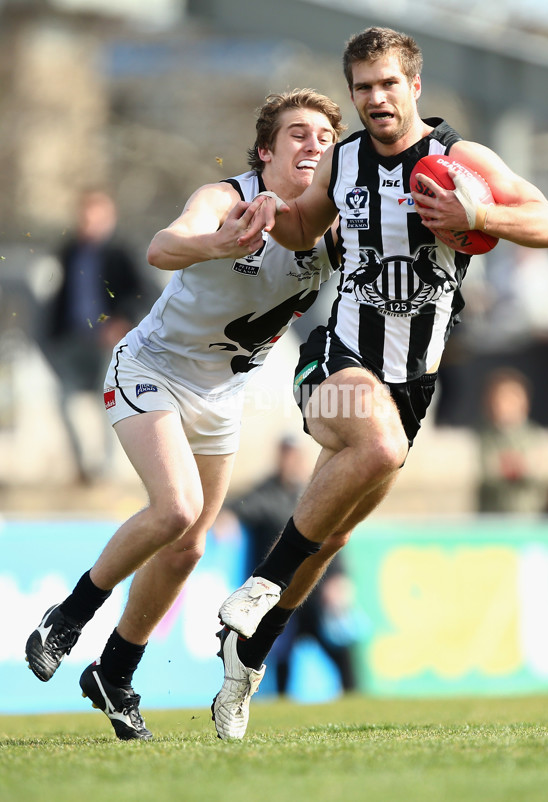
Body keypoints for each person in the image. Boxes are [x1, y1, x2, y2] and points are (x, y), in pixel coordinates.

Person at [214, 25, 548, 738]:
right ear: (354, 93)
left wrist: (480, 215)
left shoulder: (457, 160)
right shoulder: (342, 162)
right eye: (363, 87)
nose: (376, 99)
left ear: (414, 85)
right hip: (337, 360)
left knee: (333, 536)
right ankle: (255, 588)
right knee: (375, 447)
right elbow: (304, 226)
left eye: (387, 84)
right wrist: (271, 216)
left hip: (413, 384)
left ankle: (247, 657)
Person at [24, 89, 347, 741]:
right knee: (174, 509)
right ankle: (69, 615)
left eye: (324, 138)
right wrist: (214, 242)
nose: (314, 145)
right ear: (266, 150)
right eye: (298, 135)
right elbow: (163, 246)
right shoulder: (229, 198)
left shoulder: (336, 221)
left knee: (190, 546)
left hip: (220, 397)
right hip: (151, 370)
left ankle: (115, 670)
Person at [218, 435, 357, 696]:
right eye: (285, 453)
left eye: (294, 454)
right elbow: (239, 507)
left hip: (314, 592)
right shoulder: (266, 494)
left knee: (341, 649)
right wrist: (227, 517)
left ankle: (355, 699)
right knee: (280, 658)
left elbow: (334, 538)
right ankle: (279, 703)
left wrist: (338, 577)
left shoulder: (312, 492)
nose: (290, 460)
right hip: (277, 593)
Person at [41, 189, 148, 483]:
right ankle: (82, 468)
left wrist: (121, 323)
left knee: (109, 400)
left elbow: (143, 293)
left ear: (108, 217)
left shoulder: (122, 252)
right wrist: (51, 337)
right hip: (74, 344)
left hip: (109, 345)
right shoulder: (68, 251)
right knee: (62, 399)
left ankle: (106, 470)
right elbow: (58, 297)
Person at [477, 367, 547, 514]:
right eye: (500, 400)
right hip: (493, 517)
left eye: (511, 399)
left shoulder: (533, 435)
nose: (505, 406)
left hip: (528, 516)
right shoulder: (485, 436)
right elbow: (489, 471)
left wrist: (520, 467)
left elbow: (540, 470)